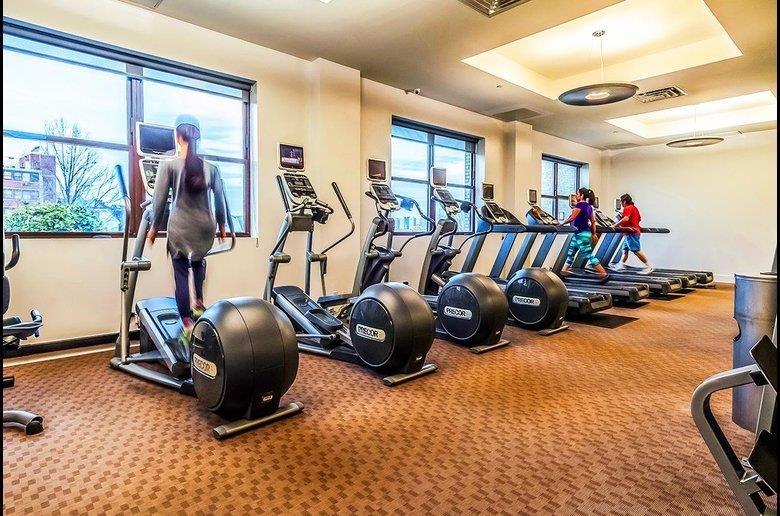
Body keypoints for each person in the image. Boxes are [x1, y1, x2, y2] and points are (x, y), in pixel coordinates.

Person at [148, 114, 227, 345]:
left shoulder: (169, 165)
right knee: (198, 262)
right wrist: (222, 227)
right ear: (198, 137)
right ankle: (199, 304)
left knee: (181, 273)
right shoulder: (211, 168)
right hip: (205, 228)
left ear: (177, 135)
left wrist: (153, 228)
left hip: (180, 228)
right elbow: (220, 200)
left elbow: (159, 201)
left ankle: (187, 324)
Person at [559, 187, 609, 282]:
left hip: (581, 233)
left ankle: (603, 273)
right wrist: (594, 234)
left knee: (588, 254)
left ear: (581, 195)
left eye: (577, 194)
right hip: (582, 233)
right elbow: (593, 221)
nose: (576, 196)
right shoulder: (589, 207)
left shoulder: (580, 205)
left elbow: (572, 218)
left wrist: (561, 223)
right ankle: (563, 271)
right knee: (571, 252)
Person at [609, 193, 654, 275]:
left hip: (631, 233)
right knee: (624, 250)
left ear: (624, 202)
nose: (622, 205)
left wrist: (614, 225)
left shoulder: (627, 208)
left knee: (636, 251)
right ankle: (620, 265)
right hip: (629, 233)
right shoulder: (634, 208)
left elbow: (626, 219)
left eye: (622, 202)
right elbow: (638, 219)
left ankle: (649, 267)